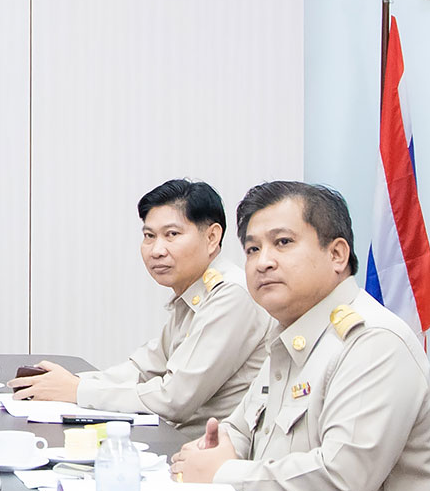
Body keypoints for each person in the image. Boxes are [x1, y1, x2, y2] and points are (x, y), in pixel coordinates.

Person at [172, 181, 430, 491]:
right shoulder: (293, 335)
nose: (263, 261)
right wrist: (216, 449)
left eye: (283, 243)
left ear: (337, 254)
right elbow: (239, 428)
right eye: (252, 249)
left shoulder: (371, 342)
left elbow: (345, 474)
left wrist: (222, 474)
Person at [14, 179, 273, 425]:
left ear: (212, 237)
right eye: (149, 236)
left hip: (207, 449)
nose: (156, 250)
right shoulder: (192, 294)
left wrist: (78, 390)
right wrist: (65, 383)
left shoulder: (231, 294)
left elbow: (174, 399)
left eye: (172, 234)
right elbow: (144, 369)